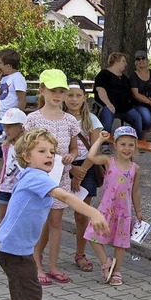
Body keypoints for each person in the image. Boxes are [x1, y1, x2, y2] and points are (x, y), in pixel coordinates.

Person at [0, 128, 108, 300]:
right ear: (26, 157)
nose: (49, 155)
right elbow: (64, 197)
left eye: (52, 151)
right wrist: (93, 213)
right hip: (13, 248)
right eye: (41, 151)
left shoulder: (33, 176)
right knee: (32, 292)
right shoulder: (36, 177)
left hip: (10, 246)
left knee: (21, 282)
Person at [24, 69, 81, 286]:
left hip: (61, 179)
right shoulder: (33, 119)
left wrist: (70, 156)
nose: (57, 95)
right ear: (42, 90)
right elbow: (24, 151)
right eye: (52, 90)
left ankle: (53, 266)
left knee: (56, 223)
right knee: (38, 222)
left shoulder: (69, 120)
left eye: (61, 91)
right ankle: (35, 265)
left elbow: (75, 149)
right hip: (39, 180)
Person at [83, 127, 142, 286]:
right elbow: (91, 156)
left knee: (120, 243)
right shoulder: (109, 161)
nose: (127, 148)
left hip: (124, 212)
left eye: (131, 145)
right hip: (105, 210)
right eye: (123, 144)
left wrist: (139, 211)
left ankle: (116, 272)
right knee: (92, 236)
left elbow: (135, 192)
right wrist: (100, 140)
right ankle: (106, 263)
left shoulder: (135, 168)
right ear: (115, 145)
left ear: (135, 147)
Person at [63, 78, 103, 272]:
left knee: (82, 214)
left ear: (84, 98)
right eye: (70, 95)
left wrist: (81, 172)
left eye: (78, 95)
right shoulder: (59, 118)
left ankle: (80, 253)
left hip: (86, 167)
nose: (73, 99)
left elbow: (94, 149)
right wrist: (71, 170)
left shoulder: (92, 120)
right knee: (53, 213)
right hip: (62, 167)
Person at [94, 52, 144, 138]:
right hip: (109, 105)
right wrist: (109, 104)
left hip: (124, 108)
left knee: (137, 117)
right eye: (123, 61)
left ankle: (137, 141)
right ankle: (104, 143)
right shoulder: (104, 74)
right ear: (116, 62)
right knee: (107, 116)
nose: (126, 64)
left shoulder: (124, 78)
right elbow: (100, 90)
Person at [0, 108, 27, 226]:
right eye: (4, 126)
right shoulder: (6, 145)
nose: (6, 130)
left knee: (18, 217)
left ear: (20, 127)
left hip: (20, 186)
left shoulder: (27, 146)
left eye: (9, 126)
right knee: (3, 216)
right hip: (6, 186)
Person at [0, 49, 27, 143]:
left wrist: (16, 120)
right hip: (1, 118)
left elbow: (22, 101)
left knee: (11, 146)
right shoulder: (4, 78)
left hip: (11, 121)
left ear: (8, 66)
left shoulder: (18, 78)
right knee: (1, 147)